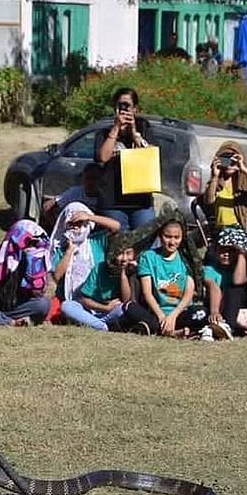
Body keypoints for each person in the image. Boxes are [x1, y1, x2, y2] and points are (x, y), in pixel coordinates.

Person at [119, 213, 216, 339]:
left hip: (180, 312)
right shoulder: (148, 257)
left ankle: (160, 329)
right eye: (168, 237)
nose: (172, 242)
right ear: (160, 236)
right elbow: (147, 293)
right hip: (156, 312)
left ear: (182, 237)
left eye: (177, 237)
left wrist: (173, 316)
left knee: (203, 312)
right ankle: (176, 332)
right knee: (129, 307)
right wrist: (161, 316)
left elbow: (188, 295)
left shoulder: (187, 259)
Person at [0, 219, 53, 326]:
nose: (30, 246)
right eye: (27, 242)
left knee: (44, 304)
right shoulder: (3, 257)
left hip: (21, 306)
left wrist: (32, 268)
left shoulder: (40, 261)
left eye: (33, 243)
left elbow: (38, 294)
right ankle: (8, 321)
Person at [94, 87, 157, 231]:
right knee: (118, 245)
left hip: (141, 200)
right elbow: (103, 157)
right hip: (112, 201)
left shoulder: (144, 127)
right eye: (120, 105)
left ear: (134, 108)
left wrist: (135, 133)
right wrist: (116, 128)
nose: (124, 109)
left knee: (145, 241)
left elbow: (151, 155)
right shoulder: (104, 132)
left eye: (127, 105)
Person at [49, 201, 121, 304]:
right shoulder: (61, 249)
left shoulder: (95, 242)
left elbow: (116, 226)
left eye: (79, 223)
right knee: (66, 307)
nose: (75, 227)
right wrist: (69, 251)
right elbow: (56, 276)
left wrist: (89, 217)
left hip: (97, 298)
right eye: (71, 224)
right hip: (72, 303)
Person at [202, 140, 247, 238]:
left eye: (233, 161)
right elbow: (209, 200)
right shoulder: (216, 182)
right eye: (225, 160)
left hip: (245, 226)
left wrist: (244, 169)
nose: (229, 164)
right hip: (224, 229)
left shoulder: (246, 181)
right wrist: (215, 176)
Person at [202, 241, 247, 337]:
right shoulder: (209, 269)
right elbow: (213, 287)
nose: (226, 254)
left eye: (231, 251)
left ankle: (228, 326)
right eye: (223, 250)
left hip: (235, 306)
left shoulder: (240, 268)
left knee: (234, 289)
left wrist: (242, 255)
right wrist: (214, 311)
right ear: (216, 251)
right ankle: (217, 326)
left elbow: (238, 281)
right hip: (215, 305)